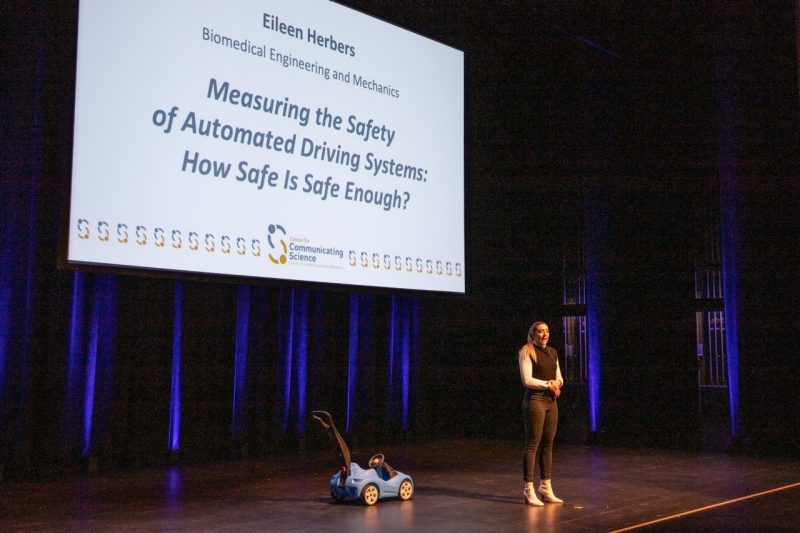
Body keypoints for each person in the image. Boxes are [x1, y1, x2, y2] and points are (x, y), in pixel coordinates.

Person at [518, 321, 564, 506]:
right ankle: (528, 489)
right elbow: (526, 380)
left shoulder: (553, 352)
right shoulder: (526, 352)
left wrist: (557, 384)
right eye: (540, 331)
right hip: (535, 401)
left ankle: (545, 487)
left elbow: (559, 377)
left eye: (546, 331)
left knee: (548, 445)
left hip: (550, 401)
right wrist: (548, 384)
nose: (544, 335)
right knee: (533, 444)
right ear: (532, 334)